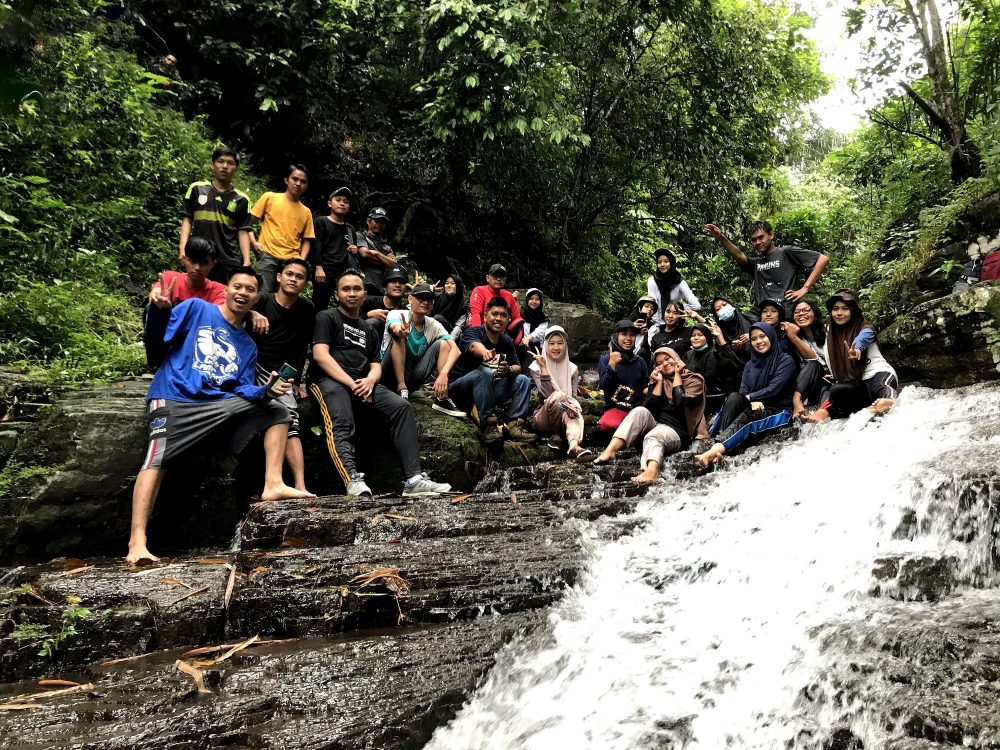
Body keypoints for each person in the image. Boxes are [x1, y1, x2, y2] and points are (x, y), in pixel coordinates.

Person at [127, 267, 314, 564]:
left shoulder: (247, 345)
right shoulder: (197, 309)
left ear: (256, 298)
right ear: (225, 290)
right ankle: (137, 541)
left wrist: (265, 390)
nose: (243, 293)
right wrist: (159, 311)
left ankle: (273, 483)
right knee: (157, 460)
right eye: (238, 286)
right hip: (175, 396)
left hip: (217, 402)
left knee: (278, 411)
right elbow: (157, 342)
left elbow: (241, 387)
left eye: (250, 289)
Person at [308, 269, 452, 497]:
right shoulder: (326, 317)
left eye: (357, 289)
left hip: (363, 382)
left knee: (401, 407)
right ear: (336, 295)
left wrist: (369, 381)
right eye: (346, 289)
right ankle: (352, 479)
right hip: (329, 380)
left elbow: (375, 365)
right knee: (342, 419)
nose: (352, 293)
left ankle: (414, 480)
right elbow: (320, 356)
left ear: (364, 295)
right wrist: (353, 384)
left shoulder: (368, 328)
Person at [249, 258, 315, 491]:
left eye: (299, 276)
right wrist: (252, 313)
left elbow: (302, 346)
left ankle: (300, 485)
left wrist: (295, 380)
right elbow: (232, 309)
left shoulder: (306, 309)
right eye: (289, 274)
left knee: (289, 418)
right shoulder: (261, 301)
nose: (293, 279)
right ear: (278, 277)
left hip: (281, 373)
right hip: (254, 366)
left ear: (305, 283)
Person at [595, 346, 707, 483]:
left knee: (654, 435)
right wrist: (658, 383)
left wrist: (678, 375)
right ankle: (611, 450)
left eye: (668, 359)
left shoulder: (694, 380)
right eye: (659, 363)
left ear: (676, 358)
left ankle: (651, 470)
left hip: (677, 432)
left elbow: (679, 402)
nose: (665, 364)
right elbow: (651, 409)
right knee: (639, 411)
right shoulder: (658, 380)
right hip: (655, 424)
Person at [694, 322, 796, 467]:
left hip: (779, 411)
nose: (759, 341)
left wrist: (751, 398)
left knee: (748, 417)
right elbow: (743, 392)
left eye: (762, 336)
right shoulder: (750, 365)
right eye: (754, 339)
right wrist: (751, 400)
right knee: (734, 397)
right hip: (754, 405)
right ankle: (719, 443)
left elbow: (774, 388)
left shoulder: (786, 361)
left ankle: (714, 451)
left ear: (771, 337)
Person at [447, 296, 535, 444]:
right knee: (484, 372)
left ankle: (515, 425)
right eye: (494, 314)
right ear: (485, 316)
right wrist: (485, 353)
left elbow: (517, 367)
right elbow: (474, 346)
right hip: (461, 390)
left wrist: (508, 370)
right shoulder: (472, 332)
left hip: (485, 392)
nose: (498, 319)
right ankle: (488, 425)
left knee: (523, 380)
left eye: (503, 315)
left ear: (508, 319)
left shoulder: (506, 340)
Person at [704, 220, 829, 317]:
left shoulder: (786, 252)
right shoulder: (757, 263)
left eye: (761, 237)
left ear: (771, 235)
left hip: (787, 312)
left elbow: (823, 259)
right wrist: (721, 237)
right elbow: (739, 256)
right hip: (764, 315)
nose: (758, 242)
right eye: (754, 240)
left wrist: (805, 288)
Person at [807, 289, 898, 421]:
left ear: (853, 311)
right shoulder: (829, 334)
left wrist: (857, 348)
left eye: (845, 309)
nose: (839, 313)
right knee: (836, 390)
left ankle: (888, 400)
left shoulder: (865, 327)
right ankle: (824, 411)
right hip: (857, 386)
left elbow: (864, 336)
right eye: (835, 309)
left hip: (876, 374)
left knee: (880, 383)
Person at [380, 282, 464, 417]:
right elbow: (395, 328)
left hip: (412, 378)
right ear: (410, 299)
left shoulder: (433, 325)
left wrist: (443, 374)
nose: (425, 302)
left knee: (443, 344)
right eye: (421, 298)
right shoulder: (397, 314)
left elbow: (455, 350)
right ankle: (401, 388)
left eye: (429, 299)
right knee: (399, 336)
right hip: (387, 374)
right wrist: (400, 330)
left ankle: (442, 398)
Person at [178, 146, 253, 283]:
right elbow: (187, 219)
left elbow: (243, 231)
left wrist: (246, 261)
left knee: (222, 295)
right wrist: (183, 248)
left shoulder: (242, 199)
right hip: (199, 256)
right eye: (220, 161)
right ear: (212, 165)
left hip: (228, 260)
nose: (225, 166)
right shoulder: (197, 189)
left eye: (230, 163)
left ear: (236, 168)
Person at [527, 326, 591, 461]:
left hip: (564, 416)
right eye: (552, 343)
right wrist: (544, 368)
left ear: (565, 345)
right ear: (546, 345)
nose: (556, 347)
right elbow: (546, 395)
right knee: (560, 396)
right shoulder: (535, 366)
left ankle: (574, 447)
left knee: (573, 411)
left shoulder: (573, 369)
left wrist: (573, 409)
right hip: (544, 417)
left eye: (560, 343)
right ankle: (556, 434)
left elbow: (573, 398)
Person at [250, 164, 315, 295]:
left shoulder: (306, 212)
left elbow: (307, 240)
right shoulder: (270, 197)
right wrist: (253, 242)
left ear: (306, 186)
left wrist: (301, 261)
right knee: (261, 295)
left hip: (291, 261)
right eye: (295, 179)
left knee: (285, 298)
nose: (298, 184)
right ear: (286, 180)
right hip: (267, 255)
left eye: (303, 181)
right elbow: (248, 223)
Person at [311, 187, 367, 312]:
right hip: (325, 272)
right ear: (330, 203)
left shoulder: (349, 229)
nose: (342, 203)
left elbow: (354, 255)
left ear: (348, 207)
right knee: (319, 306)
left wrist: (354, 250)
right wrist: (318, 267)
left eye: (345, 202)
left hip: (344, 273)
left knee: (346, 307)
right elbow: (316, 246)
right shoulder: (321, 222)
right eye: (338, 200)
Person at [597, 319, 650, 434]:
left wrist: (656, 386)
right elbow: (605, 387)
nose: (628, 338)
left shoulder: (640, 361)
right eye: (624, 334)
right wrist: (612, 365)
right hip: (616, 408)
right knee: (606, 424)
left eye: (632, 335)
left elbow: (644, 388)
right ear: (616, 336)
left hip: (637, 409)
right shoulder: (605, 360)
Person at [781, 298, 829, 418]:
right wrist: (793, 337)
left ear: (815, 313)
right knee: (813, 365)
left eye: (806, 310)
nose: (801, 314)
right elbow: (814, 361)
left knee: (827, 388)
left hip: (833, 381)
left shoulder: (829, 331)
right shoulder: (794, 340)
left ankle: (820, 412)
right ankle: (797, 401)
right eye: (797, 312)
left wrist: (793, 337)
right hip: (812, 382)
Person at [684, 322, 745, 410]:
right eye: (693, 335)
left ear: (707, 337)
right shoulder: (688, 354)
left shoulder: (715, 354)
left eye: (700, 335)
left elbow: (709, 378)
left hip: (710, 399)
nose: (696, 338)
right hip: (689, 395)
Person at [150, 237, 226, 306]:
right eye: (193, 261)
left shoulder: (218, 291)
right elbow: (157, 291)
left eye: (204, 263)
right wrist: (157, 297)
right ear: (184, 259)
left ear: (213, 264)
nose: (197, 267)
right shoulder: (170, 278)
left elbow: (220, 313)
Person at [468, 263, 525, 344]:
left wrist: (518, 338)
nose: (499, 279)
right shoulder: (479, 291)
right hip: (482, 334)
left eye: (502, 277)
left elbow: (517, 319)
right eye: (495, 276)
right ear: (488, 278)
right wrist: (477, 338)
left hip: (501, 337)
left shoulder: (508, 295)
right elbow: (476, 314)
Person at [645, 248, 701, 324]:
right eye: (659, 262)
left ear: (672, 263)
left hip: (674, 323)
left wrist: (678, 308)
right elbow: (653, 305)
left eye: (666, 261)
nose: (662, 265)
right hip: (656, 324)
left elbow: (696, 306)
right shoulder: (652, 281)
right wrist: (658, 326)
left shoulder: (680, 283)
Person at [359, 206, 397, 294]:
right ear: (368, 221)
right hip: (362, 284)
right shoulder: (360, 236)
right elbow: (364, 254)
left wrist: (376, 253)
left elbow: (393, 265)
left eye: (382, 222)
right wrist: (385, 260)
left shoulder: (387, 247)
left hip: (379, 287)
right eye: (376, 220)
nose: (379, 224)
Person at [711, 296, 755, 362]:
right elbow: (725, 361)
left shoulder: (749, 319)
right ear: (716, 315)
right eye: (718, 309)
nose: (723, 309)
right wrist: (734, 349)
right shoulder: (719, 334)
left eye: (724, 304)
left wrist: (753, 336)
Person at [628, 294, 659, 365]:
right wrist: (631, 327)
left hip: (640, 358)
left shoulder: (653, 327)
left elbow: (647, 347)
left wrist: (645, 334)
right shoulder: (627, 322)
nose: (649, 309)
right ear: (639, 307)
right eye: (646, 306)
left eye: (652, 308)